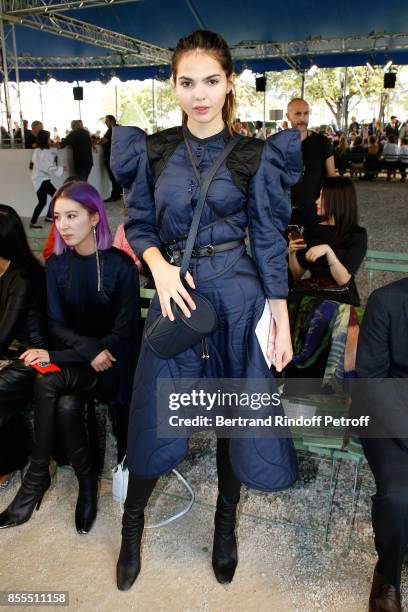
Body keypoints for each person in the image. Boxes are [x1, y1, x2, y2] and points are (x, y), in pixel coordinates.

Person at [110, 29, 301, 591]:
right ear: (173, 85)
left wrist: (281, 318)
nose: (200, 94)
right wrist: (160, 268)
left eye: (211, 81)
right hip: (176, 295)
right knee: (153, 411)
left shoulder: (255, 155)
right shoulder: (154, 149)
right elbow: (139, 225)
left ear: (229, 84)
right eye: (188, 82)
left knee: (231, 422)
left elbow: (268, 240)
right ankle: (132, 524)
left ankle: (224, 526)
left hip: (240, 297)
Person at [0, 181, 140, 534]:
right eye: (58, 216)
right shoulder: (57, 267)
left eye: (72, 216)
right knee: (58, 395)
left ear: (95, 217)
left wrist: (86, 352)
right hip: (79, 364)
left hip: (115, 370)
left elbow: (124, 333)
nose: (62, 225)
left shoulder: (120, 265)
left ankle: (36, 481)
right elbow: (56, 325)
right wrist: (89, 350)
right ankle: (86, 486)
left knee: (49, 376)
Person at [355, 277, 408, 612]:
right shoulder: (386, 301)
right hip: (386, 414)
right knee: (399, 495)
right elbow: (372, 381)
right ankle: (387, 574)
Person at [287, 176, 367, 378]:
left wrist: (329, 252)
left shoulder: (357, 235)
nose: (316, 200)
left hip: (339, 296)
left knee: (324, 313)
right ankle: (292, 378)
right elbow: (297, 274)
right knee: (286, 307)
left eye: (322, 196)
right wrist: (291, 252)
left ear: (337, 200)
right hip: (311, 293)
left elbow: (344, 279)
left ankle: (323, 382)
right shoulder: (313, 230)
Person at [0, 205, 47, 489]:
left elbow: (4, 335)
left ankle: (9, 460)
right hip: (10, 355)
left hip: (39, 358)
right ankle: (15, 450)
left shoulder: (23, 277)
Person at [286, 98, 335, 227]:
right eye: (298, 114)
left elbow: (332, 178)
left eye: (306, 113)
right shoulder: (278, 144)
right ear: (288, 116)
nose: (302, 118)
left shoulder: (322, 142)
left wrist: (332, 212)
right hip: (287, 213)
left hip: (316, 213)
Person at [29, 129, 66, 229]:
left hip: (38, 179)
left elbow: (35, 163)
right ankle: (46, 217)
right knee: (57, 196)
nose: (50, 139)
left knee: (43, 201)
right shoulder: (45, 153)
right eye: (49, 138)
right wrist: (62, 168)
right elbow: (48, 168)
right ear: (45, 139)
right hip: (42, 180)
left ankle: (40, 219)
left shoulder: (37, 150)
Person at [99, 115, 122, 202]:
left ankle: (115, 195)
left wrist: (97, 142)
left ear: (112, 121)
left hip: (111, 156)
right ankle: (119, 194)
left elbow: (104, 141)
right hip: (118, 156)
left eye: (107, 121)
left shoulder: (112, 129)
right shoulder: (119, 128)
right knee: (116, 176)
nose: (105, 123)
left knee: (113, 177)